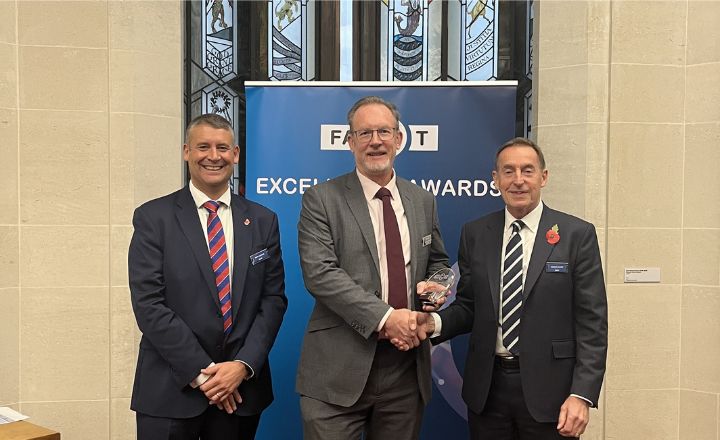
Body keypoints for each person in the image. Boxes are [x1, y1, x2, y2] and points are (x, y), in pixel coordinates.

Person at [424, 137, 607, 439]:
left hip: (554, 394)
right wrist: (432, 323)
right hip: (487, 391)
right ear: (496, 180)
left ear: (543, 177)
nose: (518, 181)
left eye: (528, 171)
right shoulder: (475, 233)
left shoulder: (577, 235)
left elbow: (593, 322)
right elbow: (469, 305)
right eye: (508, 172)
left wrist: (582, 394)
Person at [296, 96, 449, 440]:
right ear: (350, 142)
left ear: (398, 139)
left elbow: (437, 260)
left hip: (405, 371)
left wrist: (435, 288)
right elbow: (320, 274)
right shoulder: (321, 199)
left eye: (384, 131)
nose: (375, 141)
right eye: (364, 133)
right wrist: (387, 318)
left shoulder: (422, 200)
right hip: (337, 370)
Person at [128, 114, 287, 440]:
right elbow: (149, 305)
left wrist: (242, 366)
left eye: (222, 148)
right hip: (171, 390)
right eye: (203, 147)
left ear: (236, 154)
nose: (213, 156)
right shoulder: (153, 218)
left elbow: (273, 301)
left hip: (241, 392)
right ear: (187, 151)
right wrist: (207, 376)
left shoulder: (262, 221)